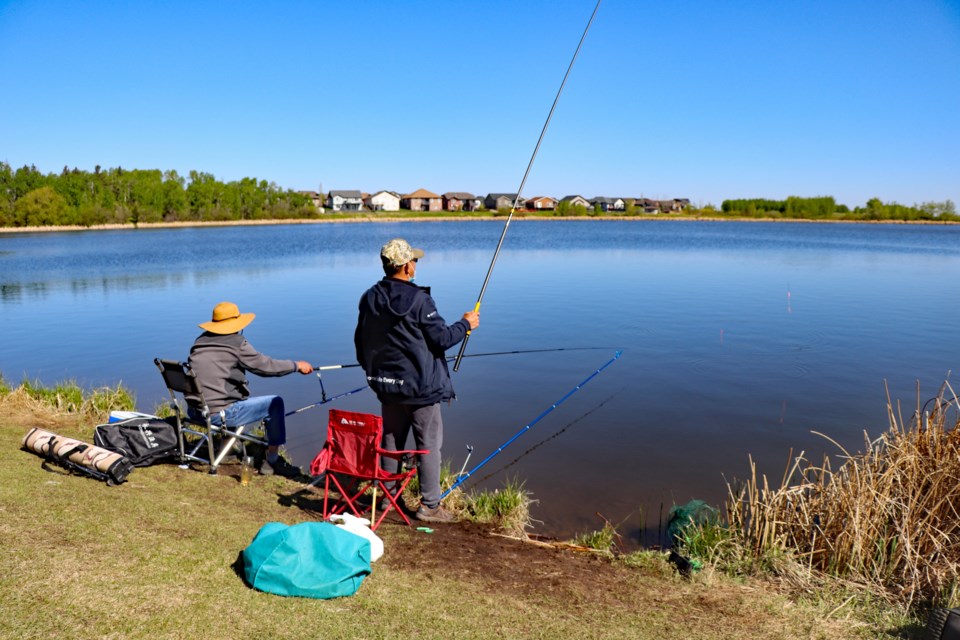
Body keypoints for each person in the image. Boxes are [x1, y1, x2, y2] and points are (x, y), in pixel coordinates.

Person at [354, 238, 479, 523]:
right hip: (420, 389)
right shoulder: (421, 300)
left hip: (386, 387)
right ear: (407, 266)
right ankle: (430, 506)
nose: (416, 265)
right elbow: (443, 338)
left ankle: (388, 496)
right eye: (415, 261)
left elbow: (360, 343)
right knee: (428, 447)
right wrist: (466, 324)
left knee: (391, 441)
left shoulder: (369, 297)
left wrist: (374, 373)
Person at [188, 301, 313, 478]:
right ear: (236, 325)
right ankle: (272, 460)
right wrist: (296, 365)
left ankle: (227, 449)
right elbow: (265, 367)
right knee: (275, 403)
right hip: (219, 414)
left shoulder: (200, 341)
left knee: (233, 396)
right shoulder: (237, 344)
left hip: (195, 411)